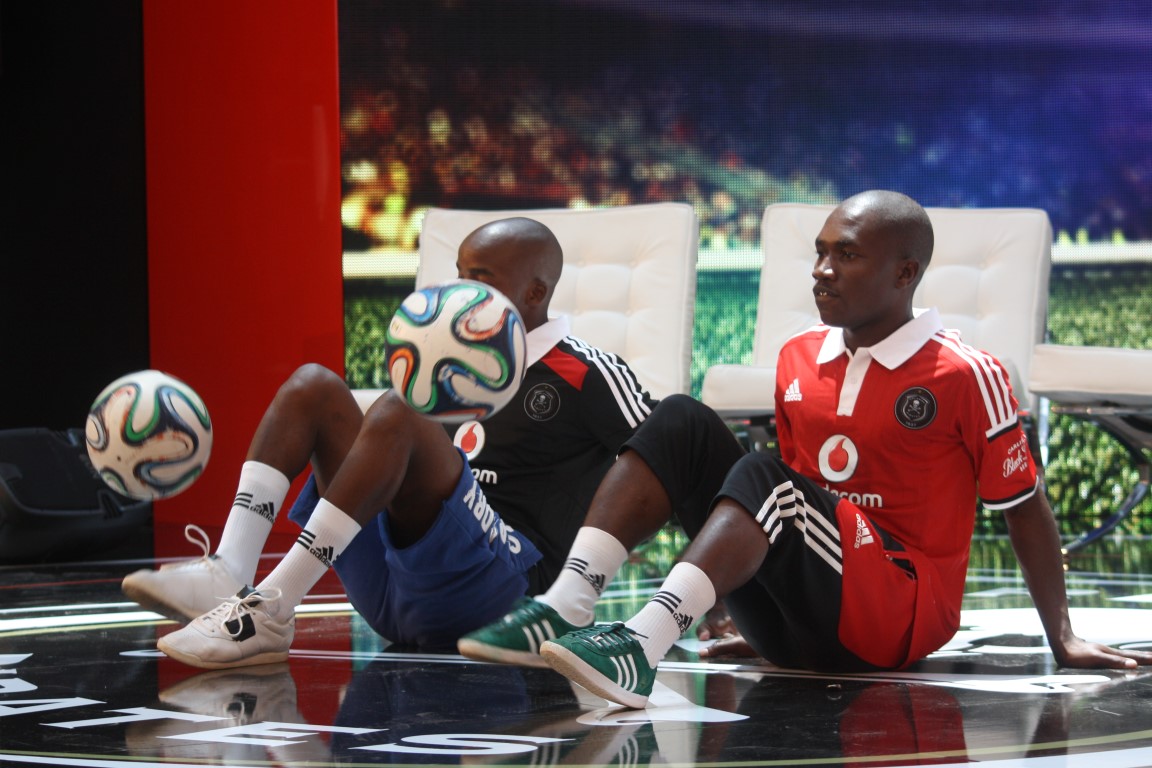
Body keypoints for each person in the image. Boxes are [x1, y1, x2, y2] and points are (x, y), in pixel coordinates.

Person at [458, 190, 1152, 708]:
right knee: (680, 420)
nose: (821, 271)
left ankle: (641, 643)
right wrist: (734, 603)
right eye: (820, 253)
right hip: (799, 619)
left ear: (905, 273)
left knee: (771, 478)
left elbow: (1023, 507)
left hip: (896, 618)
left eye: (846, 256)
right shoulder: (798, 357)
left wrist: (1062, 636)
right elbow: (778, 501)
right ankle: (568, 603)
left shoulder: (967, 373)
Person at [121, 216, 658, 668]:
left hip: (506, 591)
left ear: (535, 293)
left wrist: (613, 567)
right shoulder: (443, 353)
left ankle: (272, 607)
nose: (461, 290)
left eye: (481, 278)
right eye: (459, 274)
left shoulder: (587, 371)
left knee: (404, 407)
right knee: (313, 386)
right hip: (392, 589)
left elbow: (665, 458)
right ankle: (230, 570)